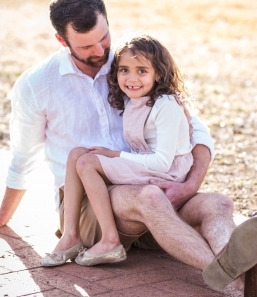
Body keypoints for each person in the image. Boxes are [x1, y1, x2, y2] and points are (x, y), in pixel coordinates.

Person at [0, 0, 257, 297]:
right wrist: (3, 216)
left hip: (144, 182)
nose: (100, 51)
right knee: (150, 198)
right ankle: (233, 277)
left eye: (104, 37)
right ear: (62, 40)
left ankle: (246, 269)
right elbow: (23, 157)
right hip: (87, 203)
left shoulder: (133, 65)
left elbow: (196, 129)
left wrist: (191, 184)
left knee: (218, 204)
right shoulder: (36, 85)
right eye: (86, 46)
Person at [42, 34, 194, 267]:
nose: (131, 78)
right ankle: (70, 236)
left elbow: (162, 162)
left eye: (142, 71)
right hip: (148, 163)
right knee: (76, 155)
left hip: (168, 171)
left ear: (159, 74)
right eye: (124, 70)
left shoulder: (166, 105)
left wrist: (114, 155)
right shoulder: (136, 100)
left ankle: (110, 240)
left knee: (87, 163)